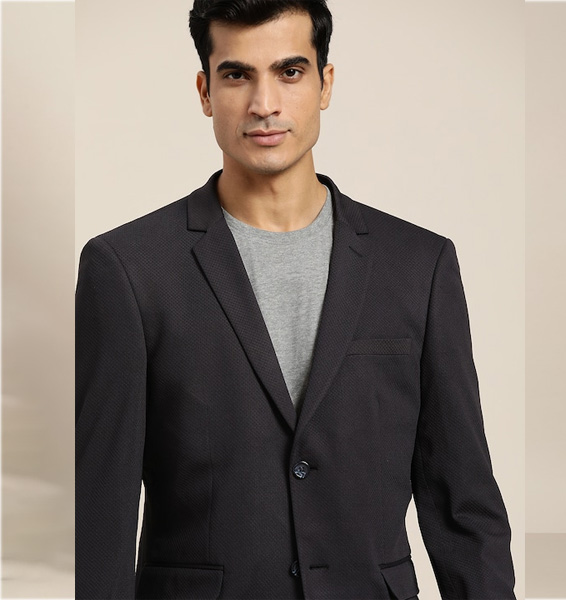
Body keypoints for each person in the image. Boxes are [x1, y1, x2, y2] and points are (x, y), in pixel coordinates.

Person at [75, 1, 517, 598]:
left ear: (325, 84)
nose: (265, 104)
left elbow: (462, 499)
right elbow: (100, 511)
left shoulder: (418, 265)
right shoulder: (128, 269)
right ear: (205, 92)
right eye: (237, 75)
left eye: (289, 72)